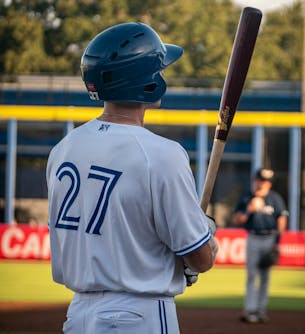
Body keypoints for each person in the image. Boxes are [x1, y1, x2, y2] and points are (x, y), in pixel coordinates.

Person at [46, 22, 218, 334]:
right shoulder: (162, 154)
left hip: (78, 315)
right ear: (147, 81)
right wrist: (205, 247)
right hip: (138, 314)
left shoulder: (63, 149)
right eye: (159, 70)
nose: (163, 76)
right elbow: (199, 258)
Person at [231, 168, 288, 323]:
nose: (262, 184)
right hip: (253, 237)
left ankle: (261, 310)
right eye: (260, 180)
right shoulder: (247, 198)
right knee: (251, 275)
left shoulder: (275, 198)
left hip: (270, 237)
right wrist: (249, 210)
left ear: (269, 184)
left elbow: (281, 221)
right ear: (255, 180)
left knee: (265, 277)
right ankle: (250, 310)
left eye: (265, 181)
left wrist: (277, 242)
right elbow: (236, 220)